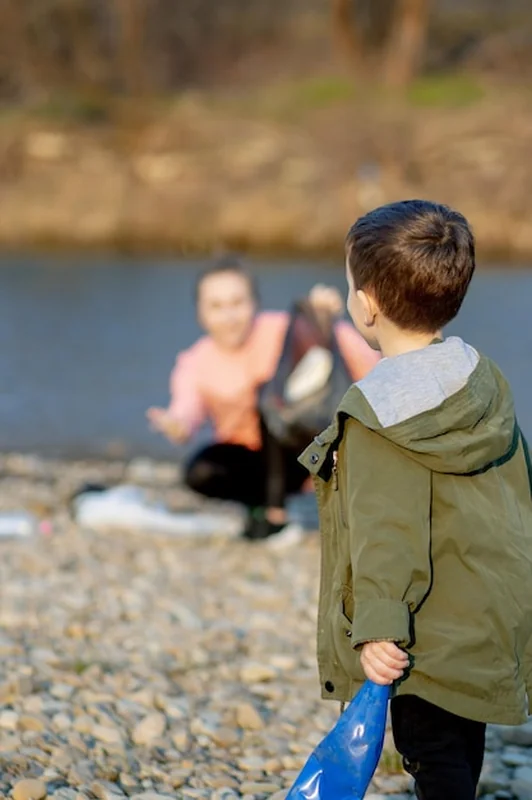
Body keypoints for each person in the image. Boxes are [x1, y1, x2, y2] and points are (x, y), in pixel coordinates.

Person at [299, 200, 532, 800]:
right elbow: (516, 497)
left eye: (350, 283)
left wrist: (378, 629)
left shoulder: (379, 413)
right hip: (483, 619)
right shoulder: (480, 380)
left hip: (420, 636)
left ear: (368, 303)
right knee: (459, 750)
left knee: (430, 755)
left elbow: (387, 529)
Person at [147, 256, 379, 541]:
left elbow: (366, 361)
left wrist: (323, 320)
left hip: (303, 449)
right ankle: (266, 506)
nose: (230, 316)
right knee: (199, 471)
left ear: (255, 302)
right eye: (217, 306)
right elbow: (186, 410)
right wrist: (177, 424)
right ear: (200, 314)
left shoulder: (285, 329)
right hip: (251, 462)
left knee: (268, 396)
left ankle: (276, 515)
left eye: (237, 303)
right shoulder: (195, 361)